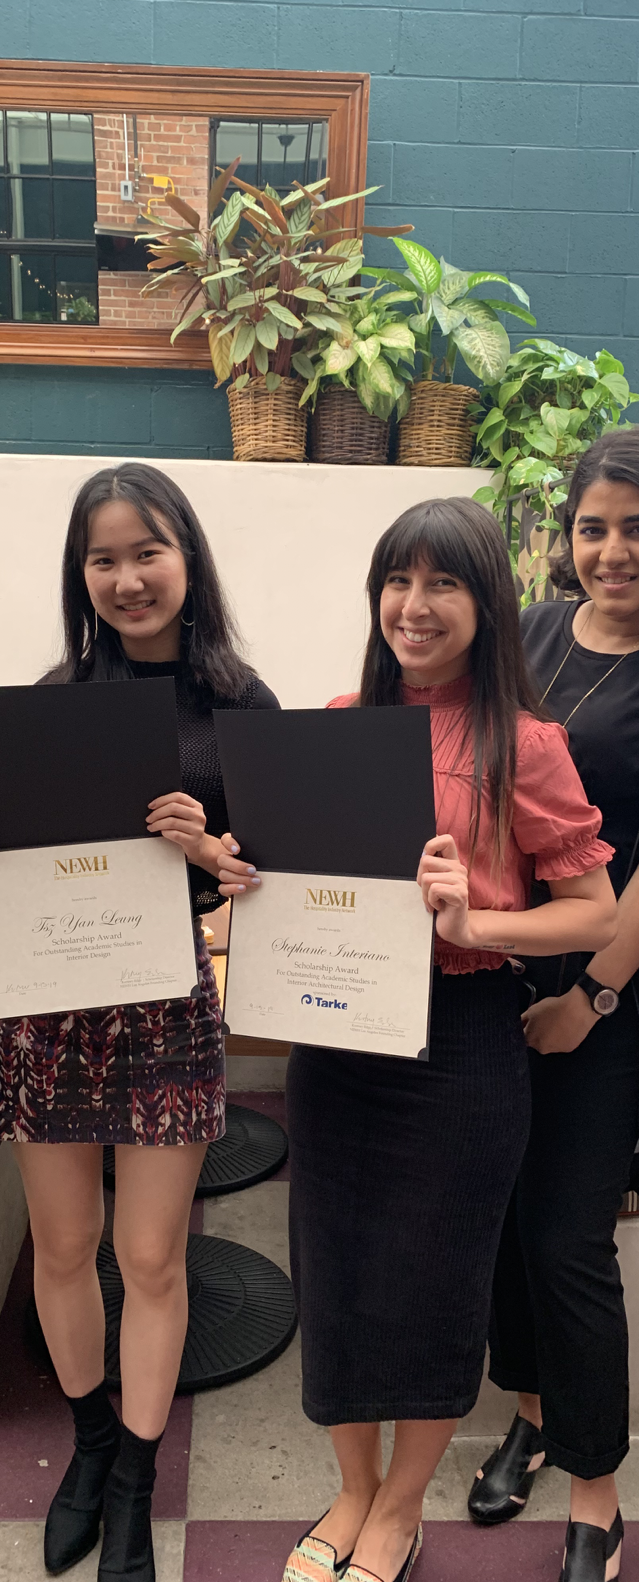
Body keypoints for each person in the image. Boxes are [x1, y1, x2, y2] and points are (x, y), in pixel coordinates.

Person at [217, 498, 617, 1582]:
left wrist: (472, 918)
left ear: (487, 604)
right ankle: (348, 1490)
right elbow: (297, 880)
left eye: (442, 583)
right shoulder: (339, 718)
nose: (414, 605)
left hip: (465, 1038)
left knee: (434, 1281)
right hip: (338, 1036)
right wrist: (241, 881)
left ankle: (398, 1509)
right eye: (397, 581)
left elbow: (589, 908)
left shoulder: (524, 743)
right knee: (338, 1269)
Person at [0, 462, 274, 1581]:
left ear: (187, 558)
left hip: (166, 1005)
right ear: (78, 574)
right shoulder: (47, 701)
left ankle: (133, 1479)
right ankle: (87, 1447)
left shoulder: (242, 705)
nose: (128, 577)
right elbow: (16, 859)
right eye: (104, 558)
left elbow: (272, 877)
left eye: (148, 551)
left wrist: (211, 854)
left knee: (148, 1255)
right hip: (51, 1009)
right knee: (63, 1245)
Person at [468, 431, 639, 1582]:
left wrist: (589, 993)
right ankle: (528, 1413)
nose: (612, 551)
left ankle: (595, 1483)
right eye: (593, 527)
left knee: (569, 1237)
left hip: (609, 992)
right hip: (496, 970)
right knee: (499, 1219)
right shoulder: (528, 631)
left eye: (634, 529)